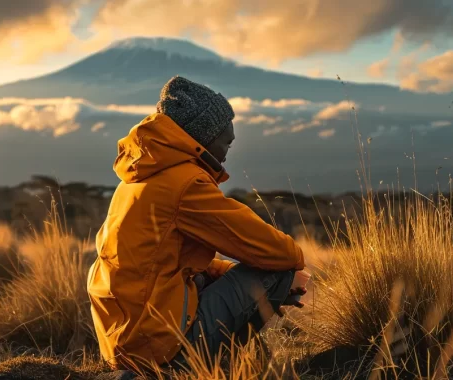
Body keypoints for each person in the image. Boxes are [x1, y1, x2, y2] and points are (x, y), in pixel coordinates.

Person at [87, 75, 307, 373]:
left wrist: (230, 275)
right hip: (156, 348)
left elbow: (165, 264)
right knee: (279, 271)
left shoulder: (139, 177)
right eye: (225, 137)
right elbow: (278, 252)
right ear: (201, 136)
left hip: (125, 343)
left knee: (238, 278)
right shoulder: (186, 184)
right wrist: (279, 283)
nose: (230, 144)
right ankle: (198, 369)